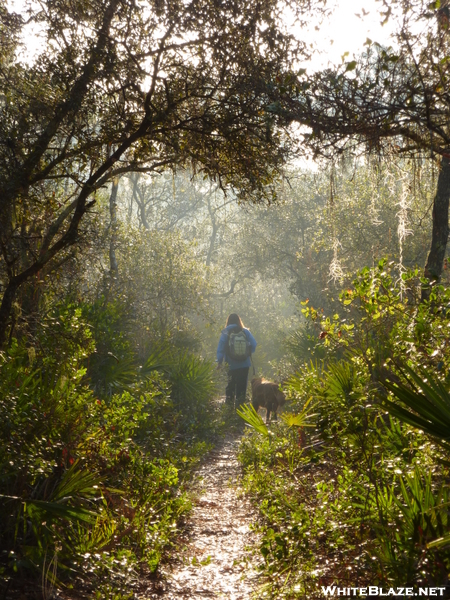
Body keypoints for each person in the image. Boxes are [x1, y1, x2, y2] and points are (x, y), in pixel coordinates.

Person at [216, 313, 257, 405]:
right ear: (239, 320)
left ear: (228, 321)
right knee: (241, 390)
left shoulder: (226, 332)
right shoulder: (245, 331)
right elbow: (254, 344)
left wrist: (219, 362)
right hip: (244, 365)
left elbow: (221, 348)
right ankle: (240, 411)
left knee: (230, 388)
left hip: (231, 365)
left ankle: (229, 411)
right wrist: (246, 353)